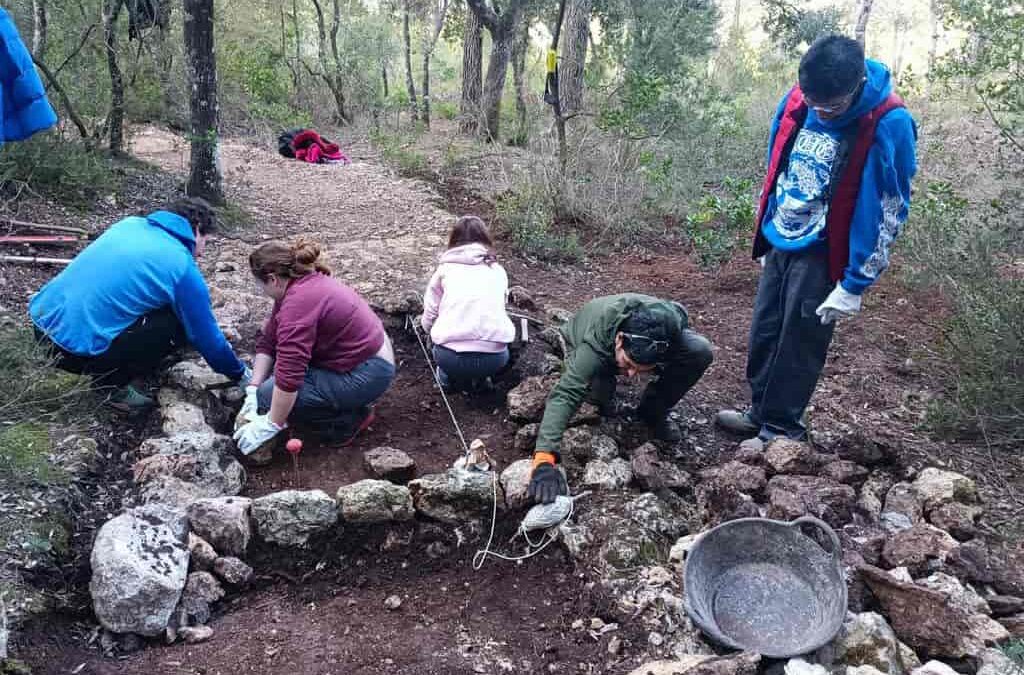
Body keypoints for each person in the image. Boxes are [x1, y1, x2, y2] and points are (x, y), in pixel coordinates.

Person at [716, 35, 917, 445]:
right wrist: (767, 224)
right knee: (765, 330)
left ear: (857, 85)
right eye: (814, 104)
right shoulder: (798, 98)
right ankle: (758, 412)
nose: (820, 112)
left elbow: (889, 205)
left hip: (826, 247)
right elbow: (777, 160)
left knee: (800, 340)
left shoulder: (889, 121)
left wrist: (855, 282)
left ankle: (781, 428)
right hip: (782, 234)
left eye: (831, 106)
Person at [29, 197, 250, 412]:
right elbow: (205, 336)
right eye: (205, 242)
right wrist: (240, 374)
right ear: (197, 228)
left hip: (41, 328)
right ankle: (111, 386)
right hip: (73, 353)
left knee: (163, 306)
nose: (201, 252)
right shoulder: (180, 265)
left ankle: (125, 360)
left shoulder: (130, 224)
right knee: (180, 327)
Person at [527, 294, 714, 503]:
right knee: (597, 394)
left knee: (699, 350)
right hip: (579, 336)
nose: (632, 375)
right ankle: (601, 374)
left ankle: (651, 412)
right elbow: (567, 392)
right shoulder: (598, 339)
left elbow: (680, 319)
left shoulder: (670, 325)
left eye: (640, 369)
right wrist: (544, 458)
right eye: (628, 364)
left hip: (635, 342)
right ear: (619, 340)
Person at [233, 240, 396, 457]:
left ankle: (347, 421)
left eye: (259, 284)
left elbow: (290, 376)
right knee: (263, 393)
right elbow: (269, 340)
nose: (260, 290)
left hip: (369, 371)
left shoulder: (299, 303)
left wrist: (271, 423)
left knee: (269, 396)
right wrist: (253, 387)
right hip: (363, 356)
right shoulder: (297, 287)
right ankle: (338, 401)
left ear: (272, 279)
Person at [421, 215, 515, 392]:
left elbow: (431, 312)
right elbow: (500, 306)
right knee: (484, 357)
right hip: (495, 358)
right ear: (485, 239)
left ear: (454, 240)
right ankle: (481, 380)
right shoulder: (497, 270)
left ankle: (447, 380)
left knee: (439, 348)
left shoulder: (444, 271)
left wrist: (427, 329)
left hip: (450, 358)